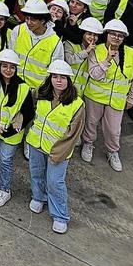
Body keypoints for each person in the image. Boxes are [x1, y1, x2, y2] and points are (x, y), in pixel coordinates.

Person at [26, 60, 85, 234]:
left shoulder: (77, 104)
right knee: (36, 173)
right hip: (36, 142)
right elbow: (30, 110)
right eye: (55, 76)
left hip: (58, 151)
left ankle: (60, 215)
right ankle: (39, 197)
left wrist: (57, 153)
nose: (58, 80)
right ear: (50, 77)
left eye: (63, 77)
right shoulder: (41, 93)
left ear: (69, 80)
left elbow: (73, 134)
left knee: (55, 182)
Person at [80, 19, 133, 171]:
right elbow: (94, 75)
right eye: (113, 34)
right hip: (95, 96)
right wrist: (107, 60)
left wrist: (132, 98)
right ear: (106, 35)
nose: (116, 37)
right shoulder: (96, 50)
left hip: (117, 99)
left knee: (114, 129)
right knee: (91, 122)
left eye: (120, 35)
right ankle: (88, 143)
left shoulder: (131, 54)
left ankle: (112, 151)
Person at [0, 48, 33, 207]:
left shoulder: (23, 87)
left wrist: (10, 131)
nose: (8, 70)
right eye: (5, 66)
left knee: (5, 159)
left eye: (12, 67)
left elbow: (28, 112)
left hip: (12, 134)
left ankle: (5, 190)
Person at [11, 0, 62, 90]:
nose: (29, 22)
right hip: (14, 84)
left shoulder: (56, 42)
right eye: (27, 18)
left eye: (33, 20)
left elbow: (55, 70)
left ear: (42, 21)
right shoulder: (18, 30)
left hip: (37, 90)